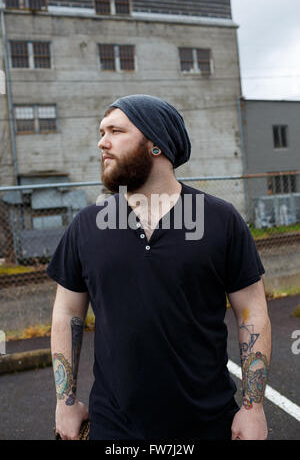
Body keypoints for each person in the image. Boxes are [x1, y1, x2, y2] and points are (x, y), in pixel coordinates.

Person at [47, 94, 271, 441]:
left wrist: (253, 408)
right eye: (101, 131)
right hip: (114, 426)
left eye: (115, 131)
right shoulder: (87, 224)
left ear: (156, 144)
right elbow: (67, 313)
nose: (101, 142)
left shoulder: (220, 219)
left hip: (209, 422)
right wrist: (66, 400)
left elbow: (252, 313)